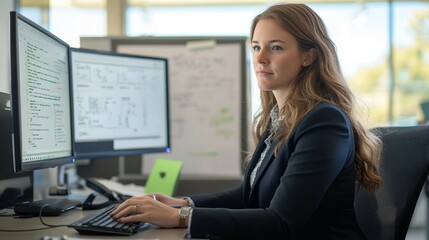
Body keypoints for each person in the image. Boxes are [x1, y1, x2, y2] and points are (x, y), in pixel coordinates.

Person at [110, 3, 383, 239]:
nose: (260, 59)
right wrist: (182, 203)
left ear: (308, 56)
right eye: (255, 47)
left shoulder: (324, 122)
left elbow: (281, 222)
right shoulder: (280, 117)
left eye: (275, 48)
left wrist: (181, 217)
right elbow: (248, 195)